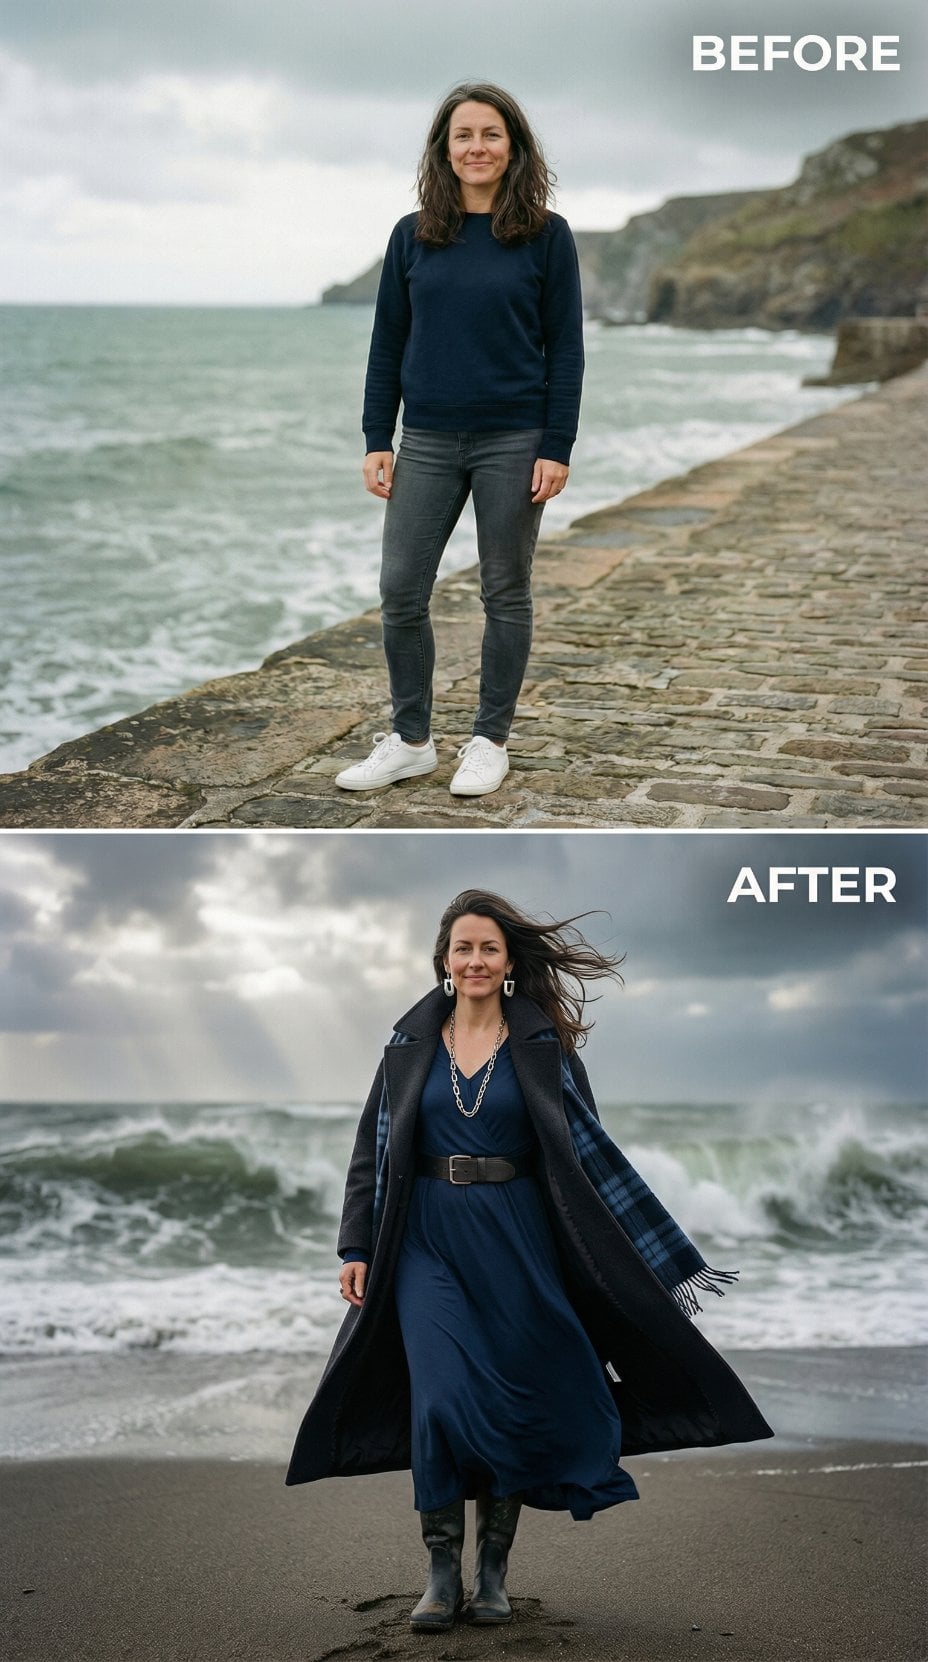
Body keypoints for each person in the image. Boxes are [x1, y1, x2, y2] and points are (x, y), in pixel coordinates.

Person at [286, 890, 773, 1631]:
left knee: (507, 1399)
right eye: (463, 949)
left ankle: (492, 1574)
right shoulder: (408, 1046)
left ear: (508, 962)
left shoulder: (544, 1050)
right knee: (443, 1400)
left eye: (488, 948)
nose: (475, 961)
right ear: (444, 961)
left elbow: (587, 1160)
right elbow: (372, 1153)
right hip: (424, 1239)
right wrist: (356, 1243)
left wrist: (614, 1257)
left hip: (517, 1238)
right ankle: (441, 1571)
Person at [335, 83, 584, 799]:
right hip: (430, 440)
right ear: (444, 151)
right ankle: (412, 739)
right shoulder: (413, 235)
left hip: (515, 438)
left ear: (514, 148)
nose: (477, 147)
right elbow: (388, 344)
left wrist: (556, 445)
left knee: (505, 591)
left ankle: (489, 739)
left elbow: (565, 351)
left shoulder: (547, 234)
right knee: (400, 589)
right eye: (463, 135)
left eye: (491, 134)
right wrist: (376, 436)